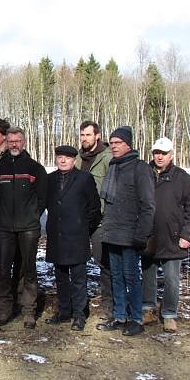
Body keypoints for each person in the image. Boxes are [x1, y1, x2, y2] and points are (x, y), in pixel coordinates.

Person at [96, 126, 155, 336]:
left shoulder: (140, 168)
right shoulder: (113, 166)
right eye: (111, 143)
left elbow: (148, 204)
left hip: (130, 235)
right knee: (116, 278)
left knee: (131, 278)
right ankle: (120, 316)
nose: (113, 146)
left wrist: (142, 234)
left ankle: (136, 318)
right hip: (112, 233)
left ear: (128, 144)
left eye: (118, 143)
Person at [141, 137, 190, 333]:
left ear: (171, 155)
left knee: (172, 278)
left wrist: (187, 235)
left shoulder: (182, 178)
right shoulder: (144, 174)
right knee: (147, 275)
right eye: (156, 152)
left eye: (164, 153)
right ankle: (148, 309)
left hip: (173, 237)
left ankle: (169, 314)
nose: (159, 156)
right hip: (148, 236)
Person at [0, 127, 47, 329]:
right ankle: (5, 307)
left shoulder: (34, 168)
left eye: (18, 141)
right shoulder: (0, 168)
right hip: (5, 227)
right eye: (11, 141)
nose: (14, 144)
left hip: (28, 227)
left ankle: (28, 310)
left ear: (24, 142)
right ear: (6, 142)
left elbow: (42, 198)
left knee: (28, 268)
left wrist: (32, 215)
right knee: (4, 269)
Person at [45, 145, 102, 331]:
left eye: (67, 158)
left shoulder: (84, 178)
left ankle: (79, 315)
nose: (63, 161)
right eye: (59, 157)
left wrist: (84, 227)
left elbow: (94, 208)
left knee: (78, 278)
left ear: (74, 160)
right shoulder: (50, 179)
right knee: (60, 276)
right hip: (56, 235)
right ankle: (64, 311)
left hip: (77, 236)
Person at [76, 120, 113, 320]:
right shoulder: (77, 159)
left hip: (101, 220)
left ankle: (109, 305)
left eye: (88, 135)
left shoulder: (107, 157)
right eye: (82, 135)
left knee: (104, 263)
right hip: (80, 220)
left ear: (97, 136)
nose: (84, 139)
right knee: (78, 261)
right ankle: (78, 306)